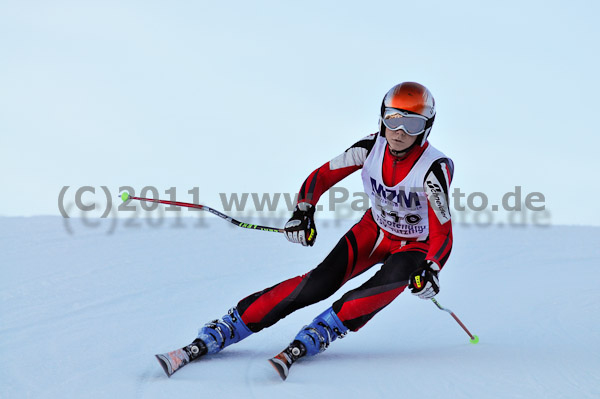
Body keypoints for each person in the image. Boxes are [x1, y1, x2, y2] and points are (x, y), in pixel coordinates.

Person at [155, 82, 454, 379]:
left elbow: (443, 232)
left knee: (384, 284)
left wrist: (431, 267)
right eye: (393, 119)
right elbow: (321, 176)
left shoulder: (433, 168)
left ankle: (326, 328)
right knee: (318, 283)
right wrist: (303, 210)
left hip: (416, 245)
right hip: (373, 231)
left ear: (426, 128)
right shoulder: (370, 147)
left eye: (412, 124)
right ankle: (229, 326)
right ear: (382, 117)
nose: (400, 131)